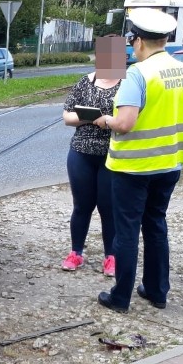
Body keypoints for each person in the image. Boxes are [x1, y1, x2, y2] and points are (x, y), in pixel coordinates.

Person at [92, 8, 183, 313]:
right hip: (170, 163)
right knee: (156, 226)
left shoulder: (139, 74)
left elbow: (125, 123)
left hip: (134, 166)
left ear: (137, 41)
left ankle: (120, 297)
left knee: (126, 231)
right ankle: (157, 291)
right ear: (164, 39)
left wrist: (104, 121)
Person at [61, 35, 125, 276]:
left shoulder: (126, 84)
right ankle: (76, 252)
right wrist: (87, 118)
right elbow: (67, 116)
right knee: (82, 206)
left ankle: (112, 256)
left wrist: (107, 122)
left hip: (112, 154)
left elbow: (130, 120)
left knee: (108, 208)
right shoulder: (84, 82)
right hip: (81, 152)